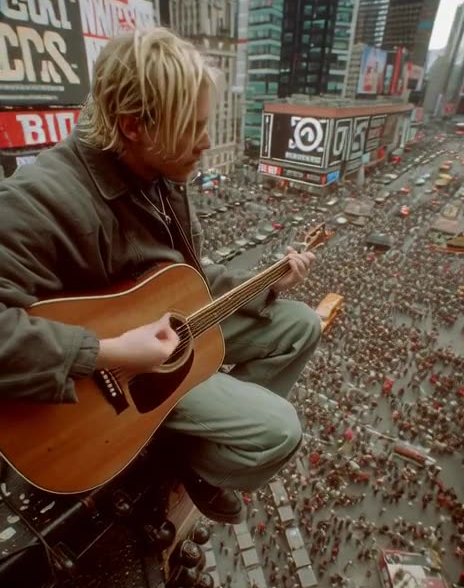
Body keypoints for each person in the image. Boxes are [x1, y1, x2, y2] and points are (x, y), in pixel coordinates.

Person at [0, 27, 321, 523]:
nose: (206, 142)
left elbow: (184, 284)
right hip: (105, 386)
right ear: (133, 125)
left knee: (301, 325)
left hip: (166, 343)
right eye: (192, 128)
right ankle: (183, 455)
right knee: (278, 432)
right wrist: (108, 351)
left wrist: (267, 282)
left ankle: (193, 442)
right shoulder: (42, 196)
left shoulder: (163, 171)